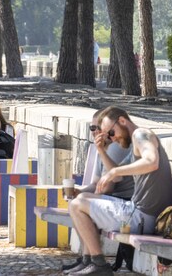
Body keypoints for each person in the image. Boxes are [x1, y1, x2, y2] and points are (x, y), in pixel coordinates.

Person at [64, 106, 172, 275]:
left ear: (122, 121)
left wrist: (115, 172)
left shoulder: (141, 135)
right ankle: (92, 261)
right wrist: (101, 150)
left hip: (143, 217)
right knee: (82, 198)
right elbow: (117, 177)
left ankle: (99, 264)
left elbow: (152, 161)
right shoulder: (135, 140)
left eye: (111, 132)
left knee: (76, 205)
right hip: (140, 213)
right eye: (108, 135)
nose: (111, 138)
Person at [61, 109, 134, 274]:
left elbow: (108, 187)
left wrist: (81, 196)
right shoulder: (104, 148)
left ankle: (96, 262)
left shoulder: (114, 147)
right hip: (114, 199)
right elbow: (95, 183)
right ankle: (88, 260)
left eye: (97, 128)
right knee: (79, 202)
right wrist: (77, 191)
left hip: (124, 201)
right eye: (91, 128)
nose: (94, 132)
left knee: (81, 206)